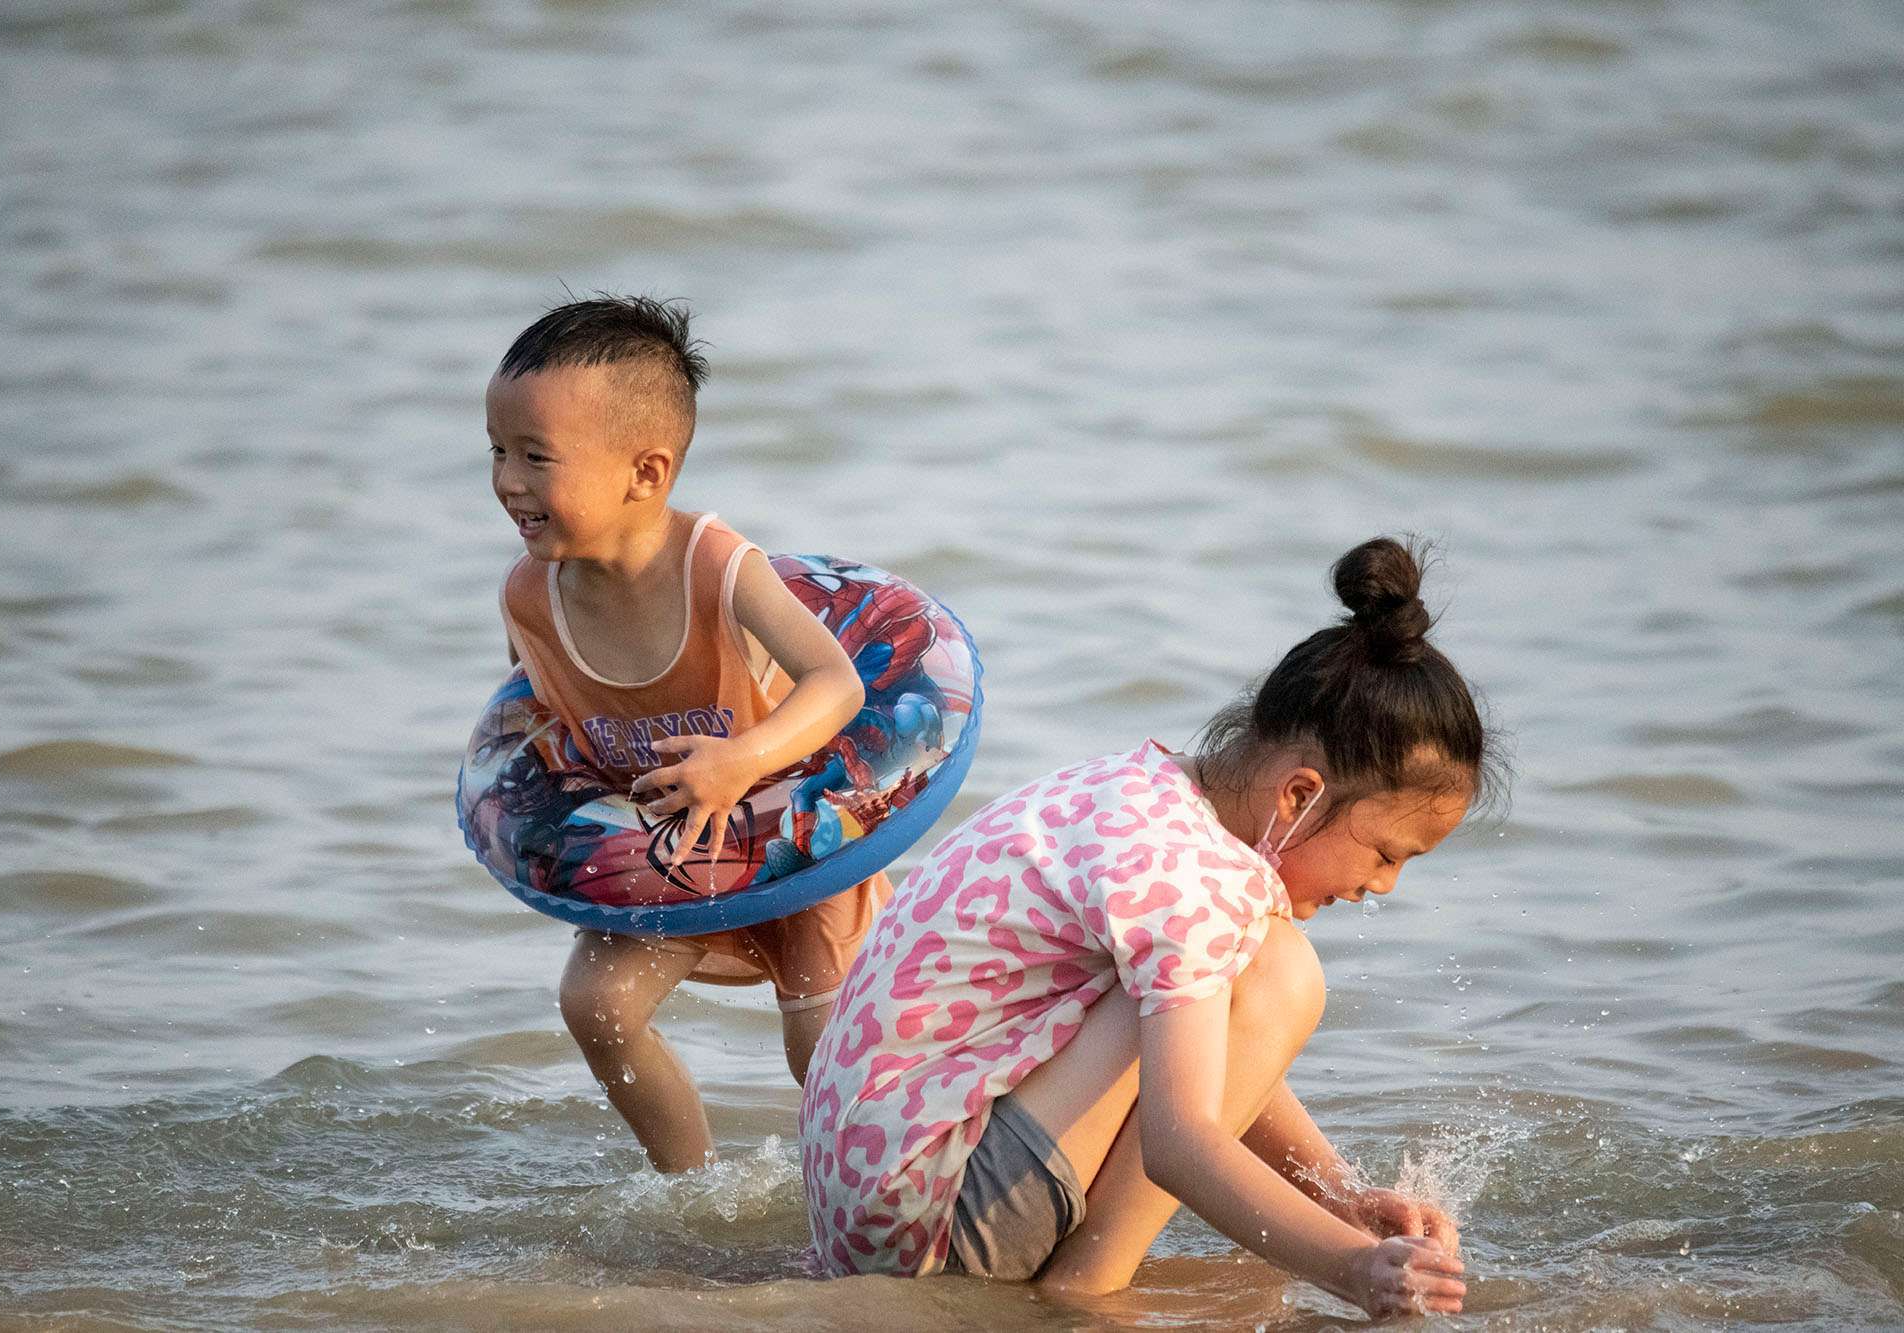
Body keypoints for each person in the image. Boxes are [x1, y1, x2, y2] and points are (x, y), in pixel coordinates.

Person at [799, 537, 1503, 1317]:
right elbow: (1180, 1141)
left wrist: (1340, 1196)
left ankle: (1071, 1268)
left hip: (875, 1195)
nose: (1382, 885)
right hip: (935, 1218)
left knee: (1249, 975)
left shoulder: (1148, 793)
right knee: (1283, 974)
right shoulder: (1196, 883)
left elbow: (1205, 1051)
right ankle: (1086, 1288)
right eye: (1383, 852)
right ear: (1300, 794)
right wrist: (1354, 1267)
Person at [488, 295, 889, 1172]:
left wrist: (739, 759)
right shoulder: (530, 596)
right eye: (498, 451)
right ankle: (687, 1187)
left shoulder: (716, 564)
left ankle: (867, 1203)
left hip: (798, 834)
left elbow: (839, 681)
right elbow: (539, 723)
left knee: (821, 1052)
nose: (509, 480)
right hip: (671, 849)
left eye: (536, 457)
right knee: (595, 1002)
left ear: (646, 471)